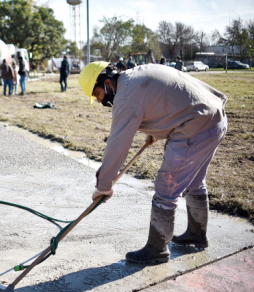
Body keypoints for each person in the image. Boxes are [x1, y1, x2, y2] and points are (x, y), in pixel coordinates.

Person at [78, 62, 227, 264]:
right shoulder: (134, 77)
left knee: (167, 186)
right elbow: (162, 97)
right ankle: (196, 234)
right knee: (194, 182)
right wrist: (152, 132)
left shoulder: (125, 96)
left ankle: (157, 248)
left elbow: (118, 144)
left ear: (107, 83)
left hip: (196, 125)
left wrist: (103, 186)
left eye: (97, 94)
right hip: (214, 118)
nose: (98, 101)